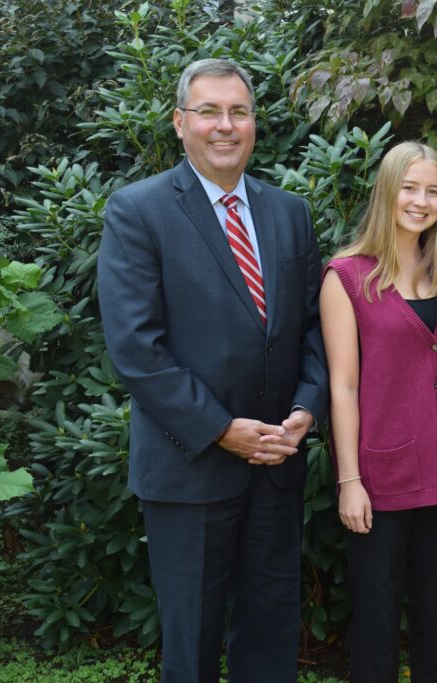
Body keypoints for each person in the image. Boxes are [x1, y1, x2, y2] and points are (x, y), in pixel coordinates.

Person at [97, 59, 328, 682]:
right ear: (180, 123)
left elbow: (313, 328)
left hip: (276, 465)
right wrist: (222, 428)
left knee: (270, 634)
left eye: (239, 112)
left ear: (255, 123)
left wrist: (306, 409)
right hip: (190, 466)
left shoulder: (289, 213)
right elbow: (137, 351)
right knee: (192, 646)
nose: (225, 126)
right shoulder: (138, 211)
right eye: (209, 111)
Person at [321, 141, 437, 682]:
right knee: (378, 619)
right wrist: (350, 481)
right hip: (380, 476)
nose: (421, 201)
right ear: (388, 191)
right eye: (410, 188)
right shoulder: (348, 277)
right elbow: (343, 385)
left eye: (433, 191)